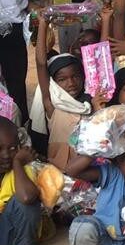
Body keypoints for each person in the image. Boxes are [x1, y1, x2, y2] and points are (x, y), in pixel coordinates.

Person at [30, 17, 90, 168]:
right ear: (54, 83)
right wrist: (43, 23)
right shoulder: (52, 103)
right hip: (58, 171)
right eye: (62, 79)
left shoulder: (90, 102)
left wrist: (106, 19)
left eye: (75, 76)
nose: (71, 83)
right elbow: (41, 64)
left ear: (83, 76)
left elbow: (101, 61)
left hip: (88, 169)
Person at [0, 119, 46, 245]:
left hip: (9, 239)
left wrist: (18, 163)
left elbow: (27, 197)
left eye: (12, 148)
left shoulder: (20, 170)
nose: (6, 155)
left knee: (27, 199)